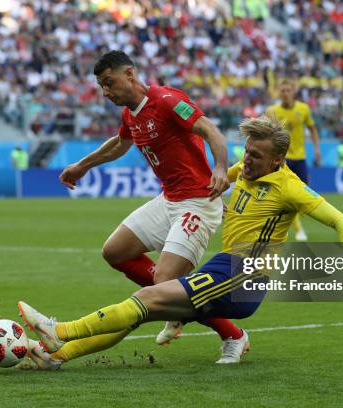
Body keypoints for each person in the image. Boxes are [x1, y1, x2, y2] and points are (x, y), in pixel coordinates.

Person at [19, 117, 343, 370]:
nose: (247, 160)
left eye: (257, 155)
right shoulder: (244, 170)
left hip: (245, 274)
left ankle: (59, 330)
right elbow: (210, 189)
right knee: (144, 312)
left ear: (277, 161)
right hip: (225, 267)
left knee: (147, 296)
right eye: (247, 151)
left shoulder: (290, 186)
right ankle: (56, 356)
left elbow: (341, 221)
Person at [58, 50, 244, 362]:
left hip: (197, 203)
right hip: (168, 199)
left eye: (109, 82)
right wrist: (82, 165)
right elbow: (120, 144)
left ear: (129, 74)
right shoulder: (130, 114)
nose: (106, 92)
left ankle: (231, 334)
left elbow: (211, 130)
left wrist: (221, 169)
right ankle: (179, 306)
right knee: (115, 252)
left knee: (162, 286)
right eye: (102, 86)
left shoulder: (168, 100)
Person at [265, 79, 321, 242]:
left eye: (288, 90)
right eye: (282, 90)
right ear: (278, 93)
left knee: (302, 195)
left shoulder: (303, 109)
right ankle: (298, 230)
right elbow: (267, 134)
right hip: (282, 159)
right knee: (285, 195)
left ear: (293, 92)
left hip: (300, 157)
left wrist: (316, 149)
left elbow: (312, 129)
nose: (285, 93)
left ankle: (286, 224)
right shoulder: (271, 111)